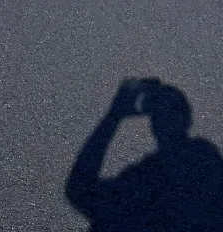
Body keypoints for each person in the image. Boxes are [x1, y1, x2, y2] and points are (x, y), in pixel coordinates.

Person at [66, 79, 223, 231]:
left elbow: (79, 189)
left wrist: (114, 116)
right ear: (187, 119)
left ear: (153, 125)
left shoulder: (143, 181)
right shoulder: (206, 162)